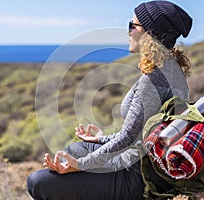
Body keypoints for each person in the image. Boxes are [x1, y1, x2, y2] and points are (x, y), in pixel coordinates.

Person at [27, 1, 193, 199]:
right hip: (144, 164)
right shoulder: (171, 69)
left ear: (150, 34)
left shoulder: (154, 81)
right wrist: (99, 139)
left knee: (37, 182)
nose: (128, 31)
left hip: (137, 177)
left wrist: (80, 165)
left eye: (133, 26)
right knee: (75, 148)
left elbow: (128, 139)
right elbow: (139, 132)